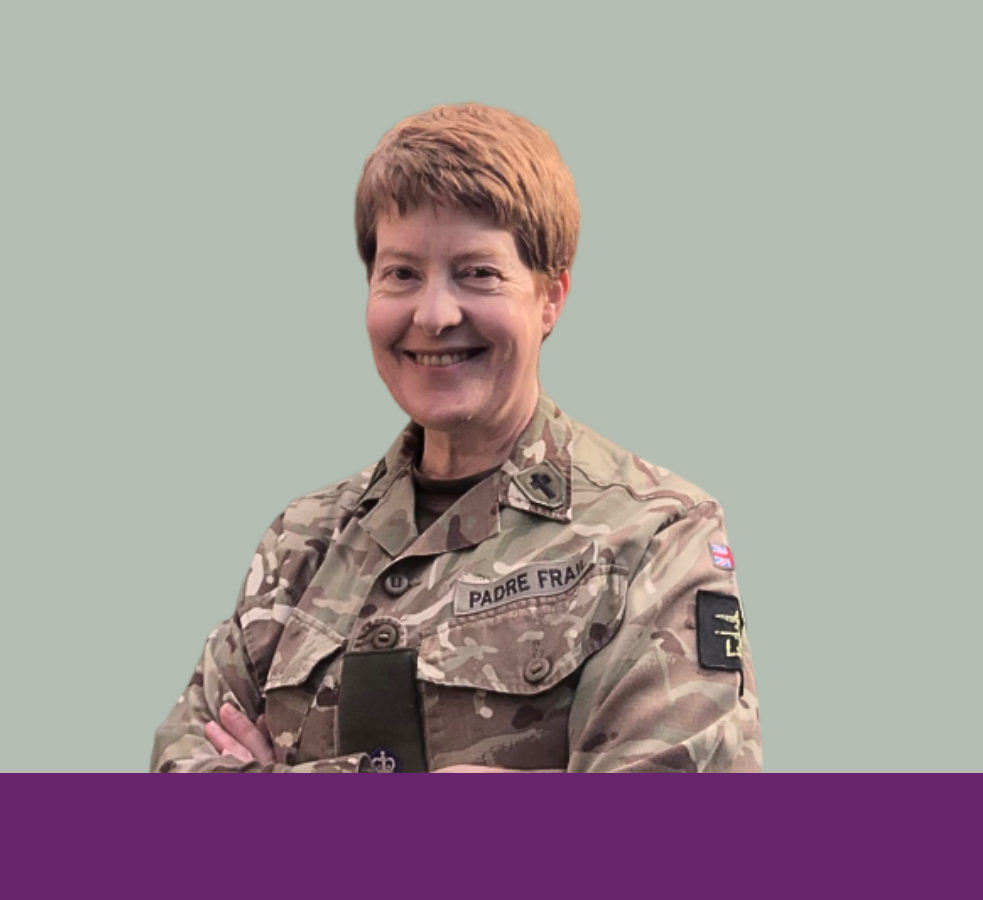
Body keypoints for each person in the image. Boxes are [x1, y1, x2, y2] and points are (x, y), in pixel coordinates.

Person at [149, 103, 760, 772]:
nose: (434, 315)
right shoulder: (300, 543)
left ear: (551, 297)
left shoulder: (654, 536)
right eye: (402, 274)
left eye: (478, 273)